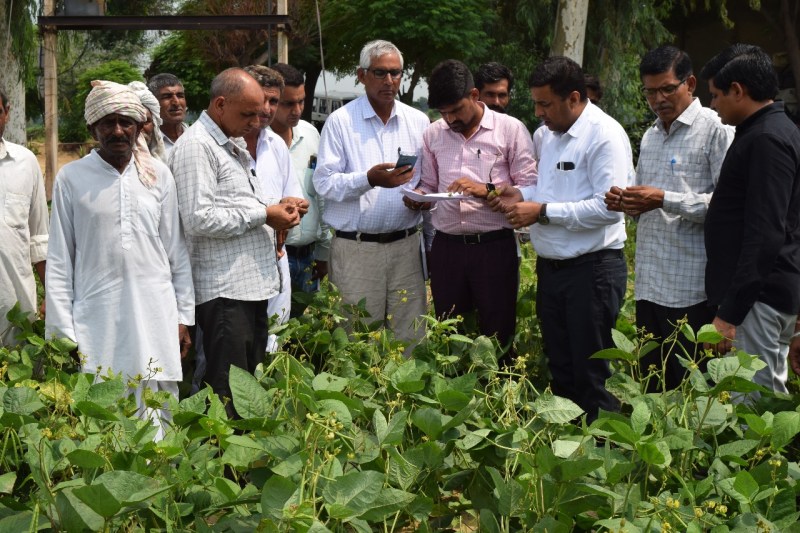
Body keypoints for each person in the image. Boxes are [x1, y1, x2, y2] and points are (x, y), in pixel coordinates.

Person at [46, 81, 194, 440]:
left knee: (158, 413)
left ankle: (160, 490)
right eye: (107, 122)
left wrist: (183, 317)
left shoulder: (159, 174)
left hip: (155, 315)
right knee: (103, 411)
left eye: (126, 122)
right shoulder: (72, 178)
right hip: (97, 318)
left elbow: (176, 251)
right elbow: (60, 261)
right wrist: (64, 333)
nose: (117, 130)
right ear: (91, 129)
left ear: (140, 125)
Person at [491, 56, 633, 421]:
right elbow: (552, 187)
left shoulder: (605, 135)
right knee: (561, 365)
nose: (538, 112)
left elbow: (609, 208)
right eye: (536, 102)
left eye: (545, 104)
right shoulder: (546, 134)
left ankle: (603, 458)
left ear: (574, 97)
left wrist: (541, 212)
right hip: (553, 269)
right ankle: (566, 452)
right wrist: (522, 194)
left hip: (593, 271)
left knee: (593, 373)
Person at [170, 68, 300, 417]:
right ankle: (218, 467)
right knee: (224, 394)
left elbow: (238, 206)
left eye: (258, 113)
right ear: (220, 104)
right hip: (223, 293)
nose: (256, 121)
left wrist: (278, 212)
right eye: (247, 113)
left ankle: (240, 465)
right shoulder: (197, 147)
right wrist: (263, 215)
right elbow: (197, 218)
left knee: (246, 393)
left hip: (249, 289)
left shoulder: (232, 144)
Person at [604, 46, 733, 391]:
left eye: (667, 89)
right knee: (654, 384)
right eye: (650, 91)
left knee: (693, 388)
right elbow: (648, 201)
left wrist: (663, 198)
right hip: (650, 283)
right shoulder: (650, 136)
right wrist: (628, 203)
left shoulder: (716, 129)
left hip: (692, 287)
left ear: (690, 84)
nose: (658, 99)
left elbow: (727, 207)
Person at [411, 59, 537, 356]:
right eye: (443, 112)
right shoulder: (433, 134)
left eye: (456, 110)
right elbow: (429, 184)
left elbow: (531, 186)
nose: (450, 119)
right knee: (448, 331)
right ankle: (452, 391)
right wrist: (416, 195)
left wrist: (488, 191)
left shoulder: (510, 130)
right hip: (447, 248)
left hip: (493, 247)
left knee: (498, 333)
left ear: (475, 96)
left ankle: (496, 393)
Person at [314, 40, 430, 344]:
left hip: (406, 246)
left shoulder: (418, 121)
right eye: (380, 73)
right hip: (357, 249)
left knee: (410, 337)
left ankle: (404, 394)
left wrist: (421, 198)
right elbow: (324, 182)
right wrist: (368, 179)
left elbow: (427, 179)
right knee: (356, 339)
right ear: (361, 75)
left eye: (396, 73)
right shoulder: (341, 121)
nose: (389, 81)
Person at [700, 44, 800, 395]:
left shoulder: (767, 139)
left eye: (715, 96)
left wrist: (730, 313)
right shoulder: (761, 132)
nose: (712, 105)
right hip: (760, 295)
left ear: (738, 91)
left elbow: (766, 234)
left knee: (754, 404)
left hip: (758, 298)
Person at [242, 65, 308, 351]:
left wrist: (293, 206)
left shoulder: (276, 145)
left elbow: (294, 196)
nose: (267, 109)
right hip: (235, 268)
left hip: (276, 259)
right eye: (262, 101)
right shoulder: (217, 144)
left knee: (273, 344)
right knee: (228, 357)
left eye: (273, 101)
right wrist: (268, 214)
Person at [270, 63, 331, 312]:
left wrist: (324, 251)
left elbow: (320, 195)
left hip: (308, 254)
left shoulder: (309, 133)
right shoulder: (254, 143)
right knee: (273, 334)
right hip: (273, 256)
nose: (297, 111)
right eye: (288, 104)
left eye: (301, 102)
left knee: (305, 338)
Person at [0, 87, 48, 346]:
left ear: (7, 113)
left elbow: (39, 237)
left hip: (16, 308)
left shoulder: (25, 162)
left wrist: (51, 294)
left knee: (21, 382)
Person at [147, 73, 188, 156]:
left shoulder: (196, 136)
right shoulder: (146, 144)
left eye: (180, 96)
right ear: (153, 103)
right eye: (167, 97)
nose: (176, 102)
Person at [129, 80, 168, 162]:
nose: (140, 128)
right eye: (133, 122)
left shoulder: (162, 167)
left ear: (154, 124)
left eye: (146, 122)